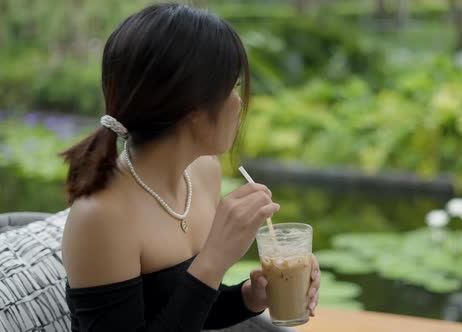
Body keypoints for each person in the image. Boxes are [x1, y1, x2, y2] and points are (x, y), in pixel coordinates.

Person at [60, 3, 321, 332]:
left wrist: (249, 297)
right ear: (193, 109)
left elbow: (185, 309)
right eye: (231, 88)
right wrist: (215, 259)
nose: (238, 102)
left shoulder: (203, 172)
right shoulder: (101, 217)